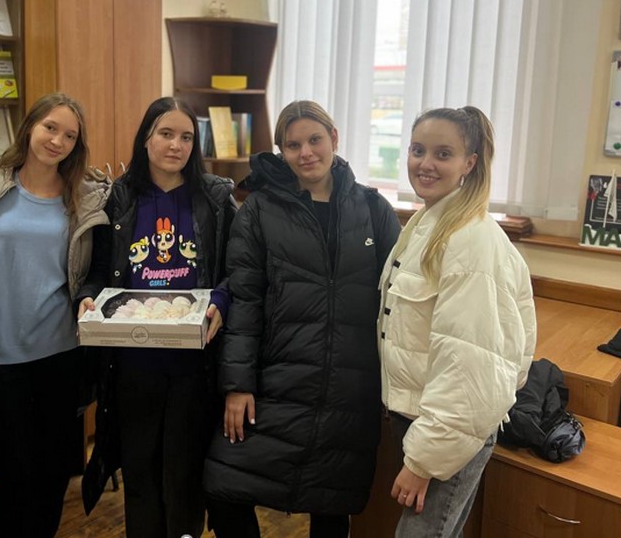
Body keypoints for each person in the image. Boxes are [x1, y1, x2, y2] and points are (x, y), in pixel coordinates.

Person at [204, 100, 401, 538]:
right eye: (293, 145)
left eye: (315, 140)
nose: (306, 152)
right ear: (282, 151)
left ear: (334, 139)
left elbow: (401, 303)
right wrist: (238, 385)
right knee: (223, 488)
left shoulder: (373, 209)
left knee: (331, 506)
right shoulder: (260, 209)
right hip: (277, 382)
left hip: (349, 390)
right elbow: (246, 299)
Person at [77, 97, 238, 538]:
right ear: (146, 138)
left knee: (183, 473)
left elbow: (237, 269)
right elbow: (99, 271)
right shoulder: (120, 198)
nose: (176, 145)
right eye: (166, 134)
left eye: (186, 137)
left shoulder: (215, 198)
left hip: (194, 366)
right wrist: (89, 298)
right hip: (133, 364)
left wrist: (221, 300)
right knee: (141, 471)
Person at [378, 106, 536, 537]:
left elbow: (471, 369)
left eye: (443, 154)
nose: (425, 163)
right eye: (418, 150)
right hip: (426, 420)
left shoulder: (470, 239)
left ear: (469, 163)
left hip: (449, 429)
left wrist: (424, 462)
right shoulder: (430, 222)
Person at [0, 93, 109, 538]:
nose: (57, 141)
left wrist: (87, 296)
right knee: (7, 470)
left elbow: (95, 270)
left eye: (70, 136)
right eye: (50, 128)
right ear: (29, 128)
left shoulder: (86, 197)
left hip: (60, 352)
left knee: (51, 471)